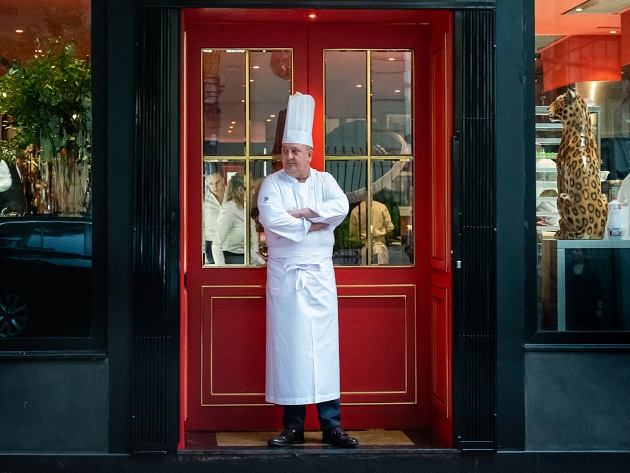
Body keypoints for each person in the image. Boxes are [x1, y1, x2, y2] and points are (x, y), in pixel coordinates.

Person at [257, 92, 358, 448]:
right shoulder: (271, 185)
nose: (288, 157)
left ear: (310, 154)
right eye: (285, 151)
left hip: (319, 276)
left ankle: (332, 425)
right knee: (291, 351)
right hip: (286, 279)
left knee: (324, 350)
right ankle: (293, 426)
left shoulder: (326, 180)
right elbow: (274, 220)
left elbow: (341, 206)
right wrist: (312, 221)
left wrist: (303, 214)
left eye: (295, 151)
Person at [212, 172, 264, 265]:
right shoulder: (229, 210)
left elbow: (246, 248)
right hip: (231, 261)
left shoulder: (243, 209)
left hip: (244, 261)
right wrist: (222, 272)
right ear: (240, 190)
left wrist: (261, 261)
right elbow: (216, 245)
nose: (253, 192)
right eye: (251, 188)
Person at [349, 199, 395, 264]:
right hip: (380, 247)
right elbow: (390, 229)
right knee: (382, 272)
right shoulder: (382, 207)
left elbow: (353, 236)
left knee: (365, 273)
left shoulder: (355, 210)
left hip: (363, 248)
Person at [203, 163, 226, 264]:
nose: (215, 187)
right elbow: (201, 229)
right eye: (211, 184)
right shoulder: (203, 202)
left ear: (223, 177)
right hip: (210, 245)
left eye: (218, 182)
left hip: (231, 244)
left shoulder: (232, 196)